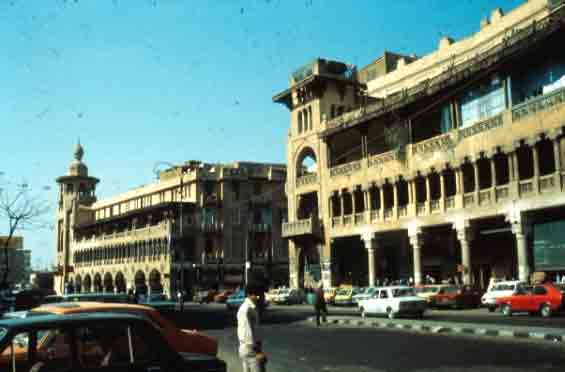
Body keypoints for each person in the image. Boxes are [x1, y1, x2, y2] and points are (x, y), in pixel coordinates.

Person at [237, 284, 267, 372]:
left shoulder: (251, 308)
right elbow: (247, 333)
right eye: (258, 295)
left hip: (247, 348)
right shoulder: (247, 309)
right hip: (250, 349)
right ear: (250, 294)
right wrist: (258, 352)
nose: (259, 297)